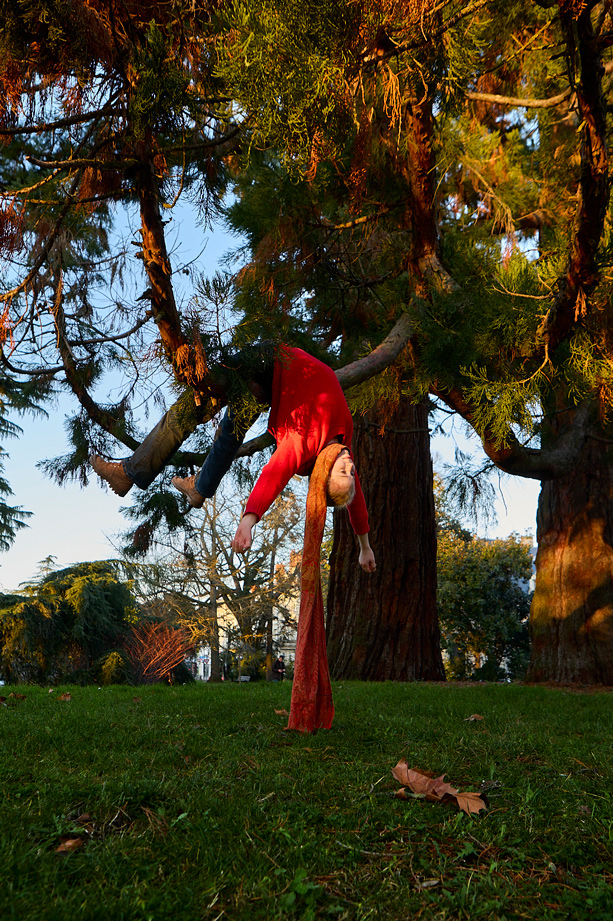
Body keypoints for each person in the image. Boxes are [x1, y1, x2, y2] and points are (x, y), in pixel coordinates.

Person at [91, 343, 376, 571]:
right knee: (231, 430)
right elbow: (357, 501)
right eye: (351, 473)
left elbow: (273, 477)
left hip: (269, 362)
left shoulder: (304, 440)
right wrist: (364, 547)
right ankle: (200, 487)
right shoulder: (341, 445)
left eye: (343, 473)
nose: (350, 467)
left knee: (195, 402)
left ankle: (130, 472)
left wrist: (248, 521)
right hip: (273, 382)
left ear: (324, 471)